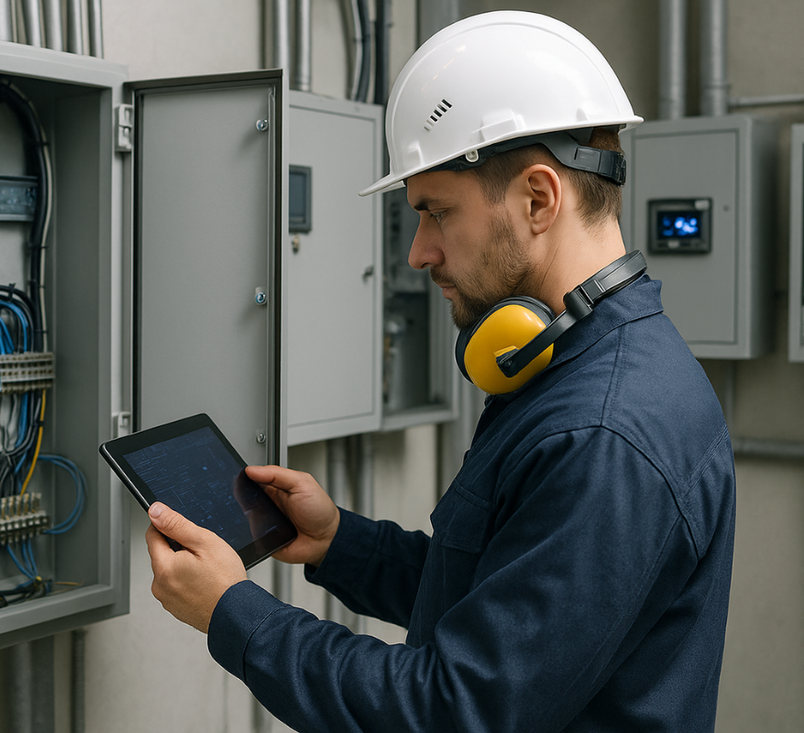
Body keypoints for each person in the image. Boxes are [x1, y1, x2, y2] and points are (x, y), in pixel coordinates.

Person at [146, 11, 736, 733]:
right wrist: (342, 542)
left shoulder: (604, 432)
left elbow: (452, 711)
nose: (416, 252)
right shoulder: (579, 370)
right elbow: (505, 594)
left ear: (539, 198)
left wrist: (233, 613)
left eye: (436, 212)